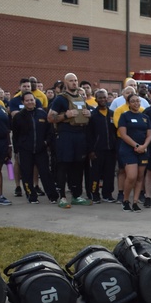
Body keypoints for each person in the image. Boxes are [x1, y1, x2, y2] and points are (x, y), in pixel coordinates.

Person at [48, 72, 92, 208]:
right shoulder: (60, 99)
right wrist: (65, 115)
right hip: (65, 135)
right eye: (71, 80)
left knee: (78, 166)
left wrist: (89, 114)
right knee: (64, 165)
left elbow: (87, 114)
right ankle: (62, 197)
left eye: (76, 80)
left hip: (80, 135)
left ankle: (77, 195)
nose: (74, 82)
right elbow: (50, 117)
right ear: (65, 83)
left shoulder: (81, 98)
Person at [10, 92, 57, 204]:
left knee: (45, 173)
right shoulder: (18, 117)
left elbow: (49, 131)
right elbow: (15, 135)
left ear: (35, 101)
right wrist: (17, 150)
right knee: (26, 174)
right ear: (23, 102)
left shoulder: (42, 114)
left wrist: (46, 142)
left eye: (32, 100)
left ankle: (53, 196)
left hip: (41, 149)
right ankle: (31, 195)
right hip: (25, 150)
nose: (30, 102)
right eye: (27, 100)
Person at [117, 92, 151, 212]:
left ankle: (135, 202)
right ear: (128, 103)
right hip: (128, 150)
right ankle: (125, 200)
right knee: (131, 176)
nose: (136, 103)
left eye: (138, 101)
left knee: (140, 177)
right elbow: (123, 134)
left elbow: (149, 135)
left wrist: (144, 146)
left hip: (143, 150)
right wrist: (136, 145)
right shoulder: (125, 116)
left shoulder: (145, 117)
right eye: (133, 101)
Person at [86, 89, 117, 203]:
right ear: (96, 99)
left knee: (109, 173)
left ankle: (107, 194)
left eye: (104, 97)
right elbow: (89, 135)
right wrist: (91, 151)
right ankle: (94, 194)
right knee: (95, 174)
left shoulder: (112, 113)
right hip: (97, 150)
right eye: (100, 98)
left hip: (111, 150)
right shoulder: (92, 115)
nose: (103, 100)